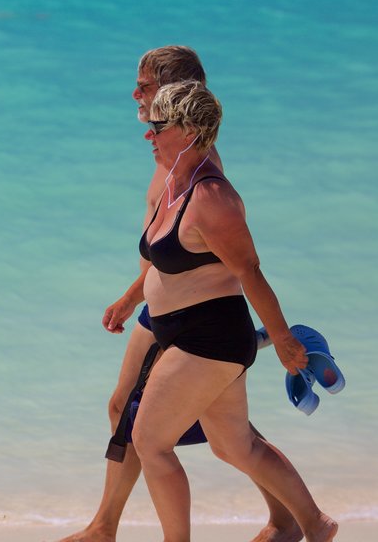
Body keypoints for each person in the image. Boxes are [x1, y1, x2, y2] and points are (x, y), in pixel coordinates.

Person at [58, 46, 301, 542]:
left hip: (197, 316)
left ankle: (291, 519)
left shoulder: (200, 167)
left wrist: (279, 335)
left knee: (213, 433)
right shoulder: (169, 154)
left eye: (145, 87)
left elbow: (232, 258)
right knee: (132, 410)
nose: (136, 95)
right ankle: (105, 525)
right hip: (161, 305)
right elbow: (162, 237)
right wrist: (131, 297)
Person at [130, 80, 337, 541]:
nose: (149, 134)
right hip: (194, 337)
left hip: (208, 339)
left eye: (157, 126)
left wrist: (282, 340)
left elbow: (251, 273)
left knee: (150, 441)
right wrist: (130, 299)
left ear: (185, 130)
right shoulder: (173, 184)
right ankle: (316, 525)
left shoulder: (210, 198)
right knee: (232, 445)